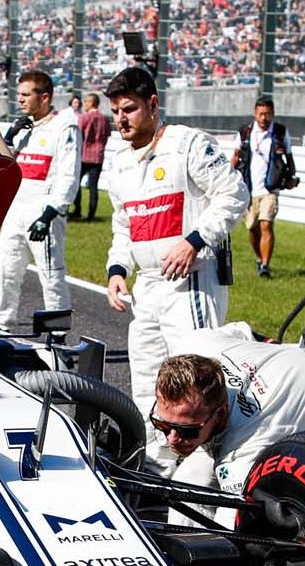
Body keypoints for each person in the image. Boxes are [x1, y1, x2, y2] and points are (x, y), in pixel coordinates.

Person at [101, 66, 247, 470]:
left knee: (195, 388)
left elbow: (235, 194)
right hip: (147, 287)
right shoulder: (120, 163)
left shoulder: (188, 144)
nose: (121, 119)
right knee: (148, 382)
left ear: (152, 105)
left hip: (191, 283)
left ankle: (203, 478)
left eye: (129, 109)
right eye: (115, 111)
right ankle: (155, 472)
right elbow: (123, 224)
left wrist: (194, 240)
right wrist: (117, 270)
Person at [152, 325, 305, 508]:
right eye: (162, 424)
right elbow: (241, 329)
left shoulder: (247, 443)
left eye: (186, 430)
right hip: (285, 367)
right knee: (186, 482)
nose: (172, 438)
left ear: (221, 413)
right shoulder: (195, 342)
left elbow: (234, 522)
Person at [0, 70, 80, 331]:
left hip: (44, 213)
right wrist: (9, 137)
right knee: (5, 273)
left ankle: (58, 335)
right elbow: (3, 168)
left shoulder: (64, 126)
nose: (20, 100)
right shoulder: (24, 128)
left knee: (51, 277)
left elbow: (69, 174)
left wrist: (51, 213)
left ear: (44, 97)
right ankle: (1, 327)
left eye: (26, 95)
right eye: (18, 94)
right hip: (15, 211)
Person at [232, 96, 297, 280]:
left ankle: (266, 266)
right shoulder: (244, 133)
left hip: (270, 188)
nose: (264, 118)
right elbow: (236, 156)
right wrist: (228, 174)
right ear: (255, 113)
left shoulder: (280, 133)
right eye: (261, 114)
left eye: (268, 114)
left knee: (266, 224)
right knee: (252, 227)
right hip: (249, 188)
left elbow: (289, 157)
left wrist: (292, 177)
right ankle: (259, 258)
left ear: (273, 114)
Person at [72, 91, 109, 221]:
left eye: (86, 101)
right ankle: (91, 215)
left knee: (76, 183)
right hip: (98, 156)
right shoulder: (104, 119)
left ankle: (77, 210)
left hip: (84, 155)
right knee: (94, 187)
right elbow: (107, 134)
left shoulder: (84, 117)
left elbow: (79, 134)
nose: (84, 104)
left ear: (92, 102)